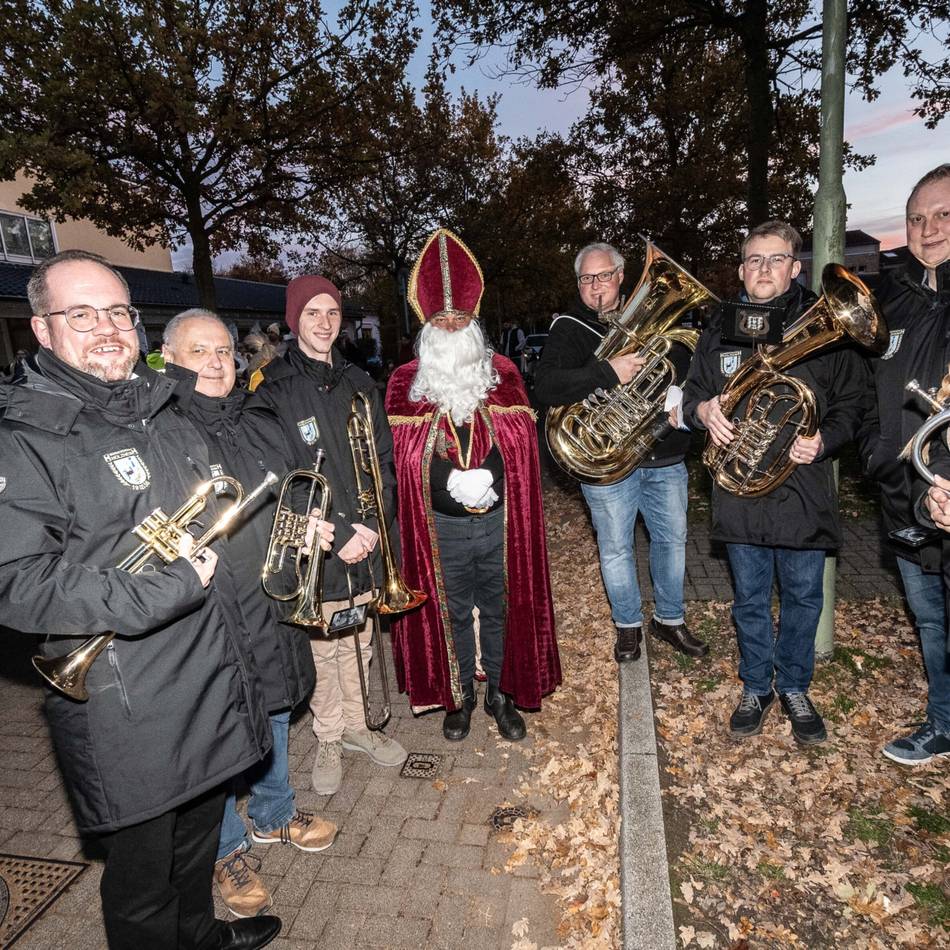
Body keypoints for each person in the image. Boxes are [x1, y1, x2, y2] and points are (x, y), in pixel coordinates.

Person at [0, 250, 280, 949]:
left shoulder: (161, 410)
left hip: (208, 673)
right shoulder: (25, 439)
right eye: (81, 313)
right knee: (141, 884)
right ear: (43, 329)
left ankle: (203, 937)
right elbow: (18, 581)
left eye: (119, 312)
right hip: (130, 700)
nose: (107, 328)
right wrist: (165, 586)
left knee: (194, 847)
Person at [161, 308, 338, 918]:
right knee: (214, 729)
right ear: (170, 360)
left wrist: (311, 525)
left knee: (279, 705)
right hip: (206, 605)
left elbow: (294, 484)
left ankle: (273, 814)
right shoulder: (162, 427)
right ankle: (225, 848)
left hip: (269, 592)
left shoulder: (257, 414)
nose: (215, 363)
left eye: (223, 351)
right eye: (199, 352)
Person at [683, 220, 871, 747]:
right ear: (741, 268)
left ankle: (793, 686)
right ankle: (754, 685)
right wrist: (704, 411)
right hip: (740, 490)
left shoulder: (825, 325)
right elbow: (694, 392)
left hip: (801, 490)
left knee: (804, 597)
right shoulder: (719, 324)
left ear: (794, 267)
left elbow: (855, 405)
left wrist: (824, 440)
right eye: (753, 260)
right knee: (747, 599)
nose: (763, 269)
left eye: (775, 260)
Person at [385, 228, 561, 741]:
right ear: (427, 326)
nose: (452, 324)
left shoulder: (503, 372)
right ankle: (457, 696)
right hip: (441, 525)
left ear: (474, 321)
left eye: (460, 317)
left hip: (500, 521)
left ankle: (501, 695)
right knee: (452, 609)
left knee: (503, 605)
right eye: (442, 318)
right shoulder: (405, 382)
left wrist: (494, 475)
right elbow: (403, 457)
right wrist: (446, 480)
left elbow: (522, 447)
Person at [254, 275, 407, 795]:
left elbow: (382, 462)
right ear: (295, 319)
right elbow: (278, 474)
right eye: (313, 313)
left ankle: (360, 727)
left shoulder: (360, 382)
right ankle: (328, 735)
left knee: (360, 635)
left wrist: (370, 524)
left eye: (333, 313)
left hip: (364, 534)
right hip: (317, 539)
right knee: (324, 643)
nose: (324, 322)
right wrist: (335, 530)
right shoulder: (271, 387)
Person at [534, 241, 708, 664]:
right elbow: (546, 387)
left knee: (672, 541)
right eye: (586, 279)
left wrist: (673, 391)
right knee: (615, 548)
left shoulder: (660, 320)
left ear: (621, 277)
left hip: (663, 455)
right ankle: (628, 626)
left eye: (603, 276)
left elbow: (687, 370)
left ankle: (669, 618)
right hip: (607, 463)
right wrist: (607, 372)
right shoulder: (569, 328)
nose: (596, 286)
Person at [859, 163, 950, 765]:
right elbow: (862, 388)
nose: (928, 227)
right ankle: (943, 722)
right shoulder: (889, 301)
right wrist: (873, 453)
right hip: (902, 498)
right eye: (918, 218)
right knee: (930, 622)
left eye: (943, 214)